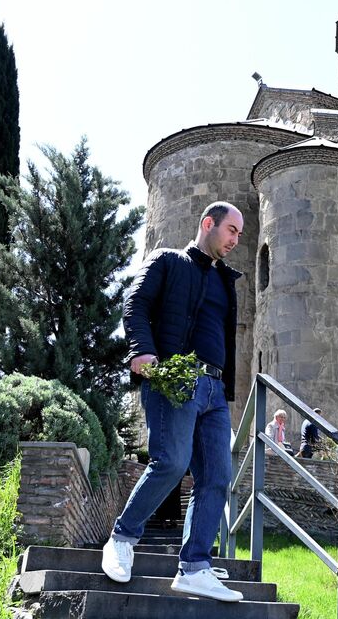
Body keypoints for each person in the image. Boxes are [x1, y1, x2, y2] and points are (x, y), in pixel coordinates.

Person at [101, 201, 245, 603]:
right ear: (207, 224)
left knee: (216, 476)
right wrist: (142, 350)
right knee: (172, 462)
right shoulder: (167, 260)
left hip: (215, 391)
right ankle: (122, 538)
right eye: (231, 230)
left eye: (239, 234)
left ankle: (195, 567)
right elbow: (135, 304)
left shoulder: (224, 281)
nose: (236, 239)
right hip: (174, 379)